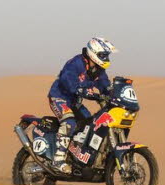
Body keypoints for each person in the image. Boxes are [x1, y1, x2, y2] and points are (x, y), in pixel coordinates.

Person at [48, 37, 117, 173]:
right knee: (69, 122)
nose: (106, 58)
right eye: (103, 55)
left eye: (106, 55)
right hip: (60, 97)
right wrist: (79, 89)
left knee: (89, 124)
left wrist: (112, 93)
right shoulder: (76, 63)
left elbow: (104, 84)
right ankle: (58, 160)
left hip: (74, 102)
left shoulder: (98, 70)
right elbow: (66, 80)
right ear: (93, 53)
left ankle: (75, 155)